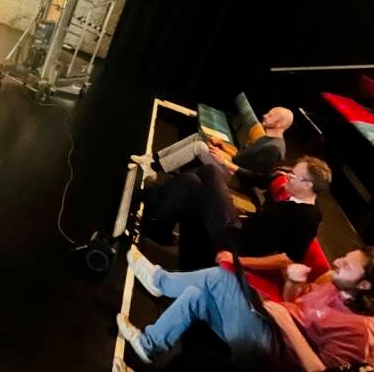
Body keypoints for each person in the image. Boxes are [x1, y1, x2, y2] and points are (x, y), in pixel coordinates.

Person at [118, 245, 374, 369]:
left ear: (364, 285)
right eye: (343, 257)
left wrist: (286, 323)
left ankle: (159, 281)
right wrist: (294, 283)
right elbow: (293, 304)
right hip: (267, 327)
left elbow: (317, 370)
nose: (337, 262)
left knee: (221, 277)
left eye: (347, 265)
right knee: (197, 295)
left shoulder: (360, 332)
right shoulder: (334, 284)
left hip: (271, 354)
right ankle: (148, 345)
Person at [144, 157, 331, 271]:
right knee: (191, 181)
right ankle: (158, 224)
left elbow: (287, 259)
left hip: (234, 241)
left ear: (308, 185)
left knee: (208, 171)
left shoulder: (308, 218)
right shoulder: (295, 200)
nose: (288, 177)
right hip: (236, 225)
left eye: (294, 175)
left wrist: (237, 260)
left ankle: (154, 204)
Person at [133, 107, 294, 185]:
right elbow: (242, 156)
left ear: (280, 124)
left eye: (270, 115)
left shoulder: (273, 149)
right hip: (231, 166)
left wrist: (225, 161)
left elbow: (255, 179)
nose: (265, 115)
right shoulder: (267, 137)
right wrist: (223, 147)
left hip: (236, 180)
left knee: (200, 147)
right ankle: (153, 158)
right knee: (202, 136)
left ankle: (153, 169)